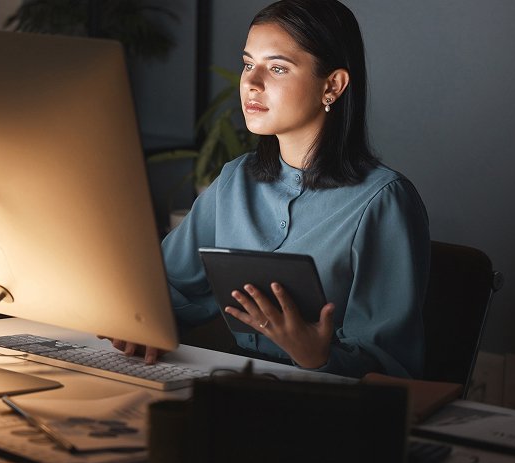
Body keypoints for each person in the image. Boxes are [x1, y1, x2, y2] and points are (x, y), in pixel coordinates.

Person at [111, 0, 430, 379]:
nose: (251, 82)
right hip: (234, 389)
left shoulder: (383, 201)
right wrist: (139, 321)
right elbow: (166, 290)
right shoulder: (235, 180)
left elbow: (392, 367)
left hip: (330, 411)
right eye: (249, 64)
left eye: (277, 68)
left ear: (332, 84)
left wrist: (318, 356)